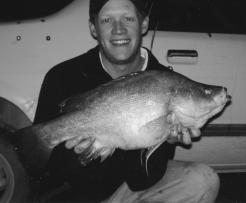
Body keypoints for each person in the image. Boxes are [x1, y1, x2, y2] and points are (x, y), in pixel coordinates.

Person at [33, 0, 220, 202]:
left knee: (201, 180)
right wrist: (79, 155)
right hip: (77, 194)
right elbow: (47, 173)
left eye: (128, 19)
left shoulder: (165, 82)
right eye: (107, 20)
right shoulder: (62, 77)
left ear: (144, 24)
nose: (118, 29)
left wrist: (165, 140)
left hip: (130, 191)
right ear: (93, 28)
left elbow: (143, 181)